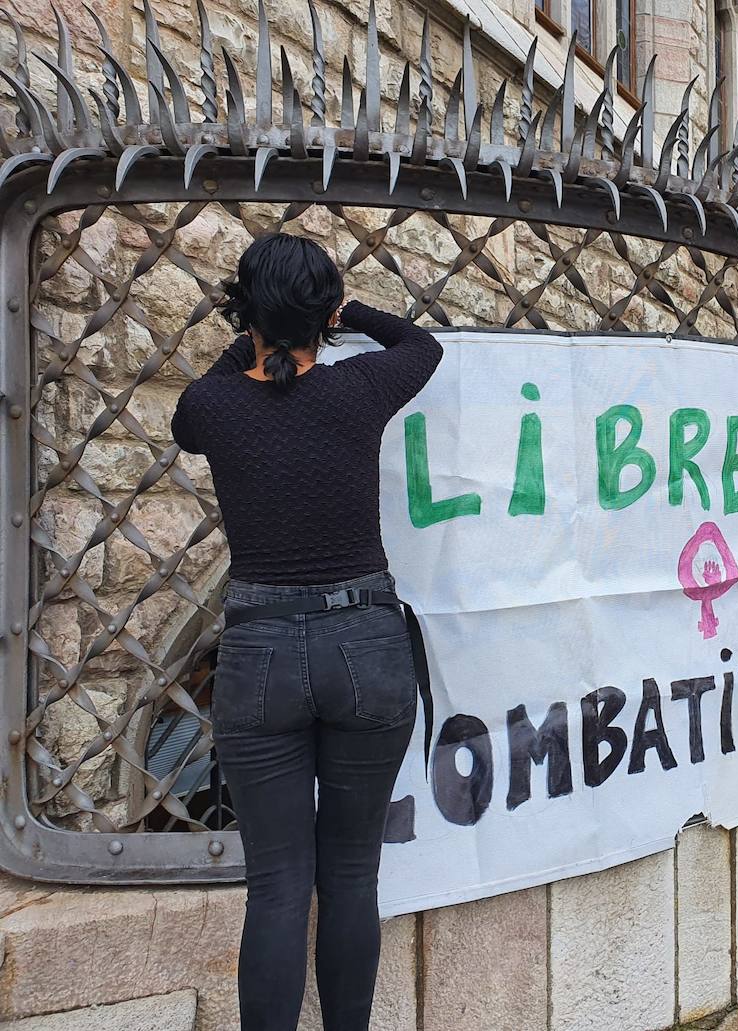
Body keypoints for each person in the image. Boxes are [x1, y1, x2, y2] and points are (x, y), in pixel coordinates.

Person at [172, 233, 442, 1030]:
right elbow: (420, 343)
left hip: (259, 656)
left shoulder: (212, 408)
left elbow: (193, 413)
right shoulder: (361, 388)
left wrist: (252, 334)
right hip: (364, 642)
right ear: (325, 314)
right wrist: (339, 312)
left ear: (246, 310)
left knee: (279, 884)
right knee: (353, 874)